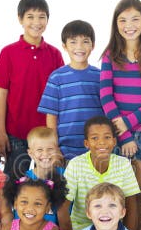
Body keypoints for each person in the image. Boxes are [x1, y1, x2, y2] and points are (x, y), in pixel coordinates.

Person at [99, 0, 141, 230]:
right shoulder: (110, 56)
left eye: (135, 19)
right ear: (116, 24)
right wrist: (124, 134)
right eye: (123, 20)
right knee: (117, 191)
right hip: (116, 133)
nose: (129, 25)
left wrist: (128, 123)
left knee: (139, 189)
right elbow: (106, 97)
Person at [0, 0, 63, 180]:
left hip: (46, 133)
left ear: (47, 19)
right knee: (12, 181)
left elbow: (59, 95)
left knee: (50, 181)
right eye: (30, 16)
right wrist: (0, 131)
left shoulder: (54, 54)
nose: (36, 22)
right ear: (20, 19)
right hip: (16, 132)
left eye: (41, 17)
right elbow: (1, 93)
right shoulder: (8, 52)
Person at [61, 116, 140, 230]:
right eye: (95, 138)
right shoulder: (75, 164)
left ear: (114, 141)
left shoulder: (124, 164)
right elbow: (63, 208)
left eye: (107, 137)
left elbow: (131, 206)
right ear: (86, 143)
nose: (102, 142)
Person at [38, 20, 102, 162]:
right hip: (66, 150)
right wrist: (54, 147)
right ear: (64, 46)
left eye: (85, 41)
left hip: (96, 148)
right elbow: (51, 117)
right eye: (73, 42)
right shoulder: (56, 77)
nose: (79, 47)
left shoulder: (101, 76)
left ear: (93, 45)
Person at [18, 127, 71, 230]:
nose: (45, 154)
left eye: (50, 149)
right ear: (31, 153)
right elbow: (20, 218)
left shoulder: (67, 177)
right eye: (40, 150)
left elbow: (67, 221)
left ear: (57, 150)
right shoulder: (24, 181)